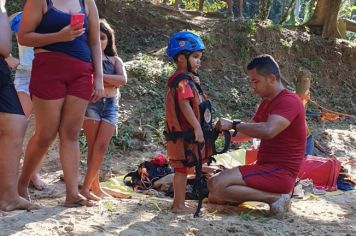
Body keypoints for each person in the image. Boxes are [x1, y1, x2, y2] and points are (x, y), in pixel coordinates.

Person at [17, 0, 104, 207]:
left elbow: (94, 42)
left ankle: (72, 194)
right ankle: (21, 183)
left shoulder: (87, 2)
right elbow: (23, 36)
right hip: (49, 69)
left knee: (71, 132)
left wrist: (99, 77)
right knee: (46, 134)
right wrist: (59, 36)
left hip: (82, 72)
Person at [208, 55, 307, 218]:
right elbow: (247, 132)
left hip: (279, 173)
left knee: (215, 183)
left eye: (255, 81)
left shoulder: (289, 101)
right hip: (265, 168)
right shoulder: (267, 101)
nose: (252, 86)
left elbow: (268, 130)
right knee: (215, 195)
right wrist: (221, 132)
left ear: (271, 78)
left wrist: (233, 124)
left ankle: (277, 198)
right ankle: (269, 197)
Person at [80, 19, 128, 200]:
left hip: (111, 105)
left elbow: (122, 80)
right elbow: (87, 78)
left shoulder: (115, 59)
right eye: (96, 37)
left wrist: (99, 78)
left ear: (109, 40)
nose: (100, 41)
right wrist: (108, 80)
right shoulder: (86, 58)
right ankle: (93, 188)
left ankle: (87, 187)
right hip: (91, 104)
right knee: (93, 147)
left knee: (101, 147)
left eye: (103, 37)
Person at [0, 0, 37, 215]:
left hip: (5, 71)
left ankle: (9, 196)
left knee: (16, 123)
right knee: (16, 123)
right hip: (17, 71)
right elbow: (5, 46)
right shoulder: (13, 15)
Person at [5, 12, 47, 191]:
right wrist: (7, 58)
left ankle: (32, 173)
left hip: (50, 76)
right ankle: (11, 175)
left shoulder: (56, 14)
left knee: (46, 131)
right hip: (25, 77)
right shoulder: (18, 17)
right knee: (17, 128)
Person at [165, 31, 206, 213]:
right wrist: (197, 127)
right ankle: (178, 205)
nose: (199, 61)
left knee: (182, 168)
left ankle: (179, 203)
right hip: (183, 134)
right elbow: (184, 104)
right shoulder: (182, 82)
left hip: (183, 134)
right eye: (195, 57)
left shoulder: (186, 80)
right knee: (181, 169)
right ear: (182, 58)